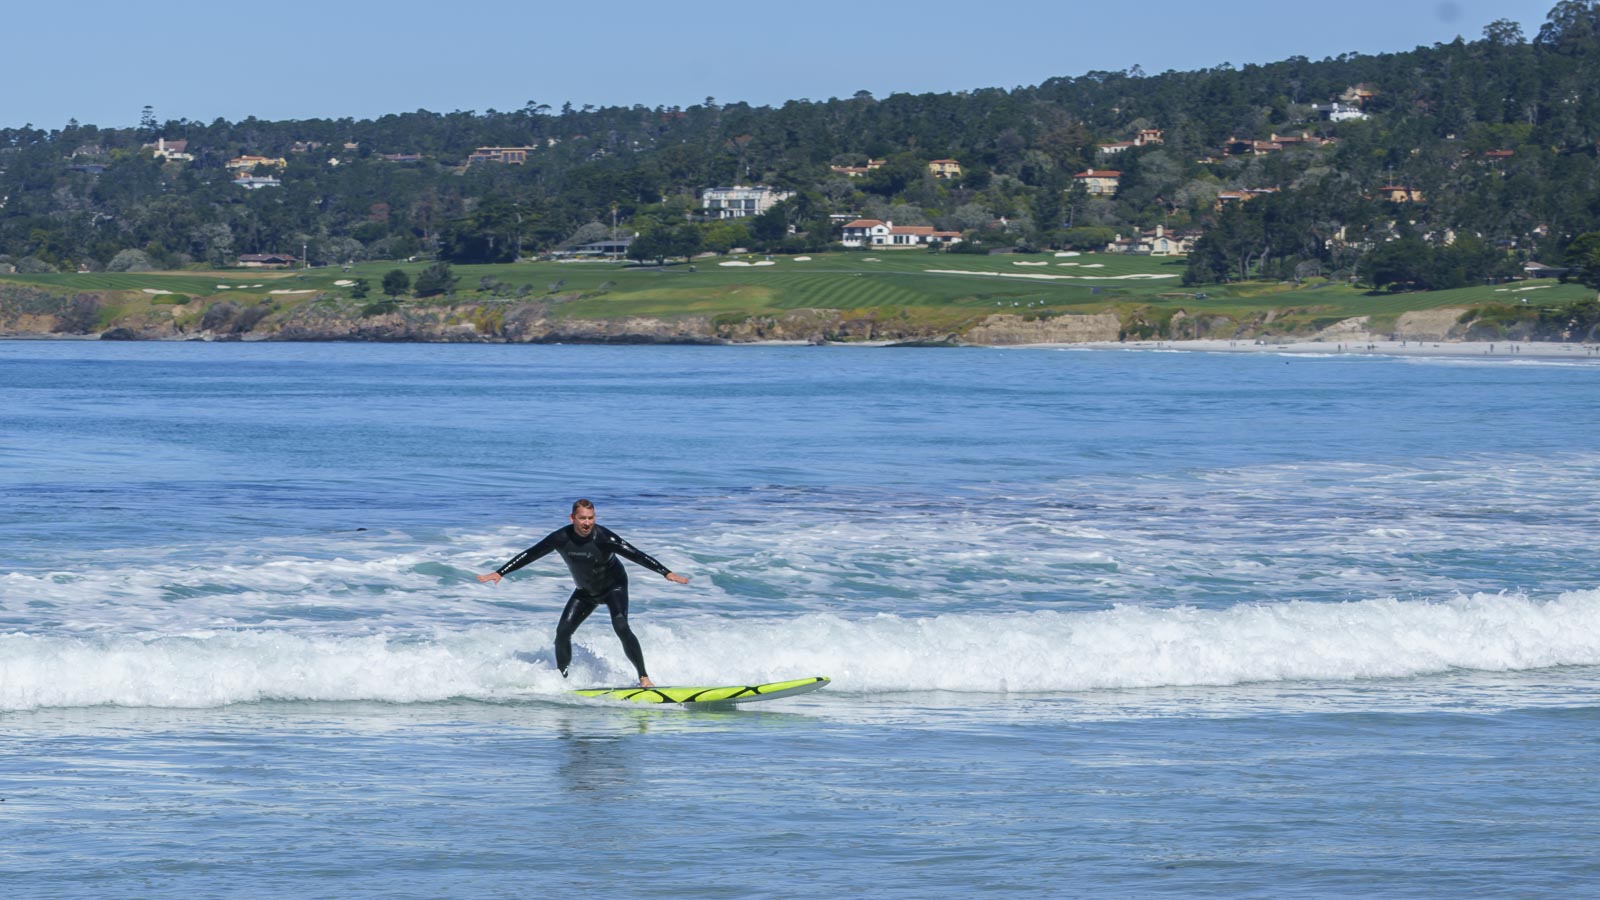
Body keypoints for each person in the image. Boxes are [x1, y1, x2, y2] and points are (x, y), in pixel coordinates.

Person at [478, 499, 689, 687]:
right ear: (572, 518)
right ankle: (563, 678)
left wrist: (665, 572)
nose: (587, 523)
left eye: (590, 518)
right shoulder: (560, 538)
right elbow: (531, 554)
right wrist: (500, 572)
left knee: (621, 625)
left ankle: (643, 678)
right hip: (585, 591)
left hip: (613, 587)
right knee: (562, 632)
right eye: (582, 518)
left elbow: (636, 554)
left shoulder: (604, 538)